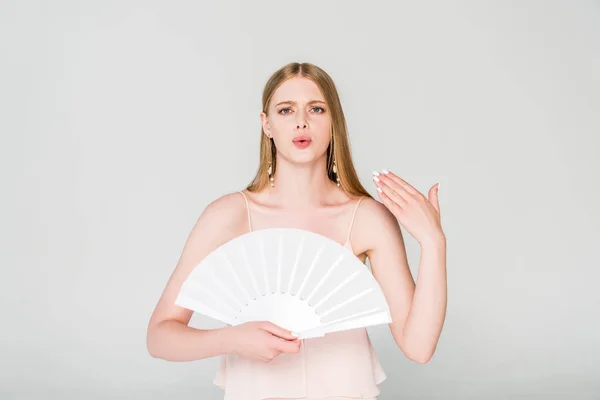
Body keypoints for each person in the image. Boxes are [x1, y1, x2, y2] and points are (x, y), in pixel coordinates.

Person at [146, 62, 447, 400]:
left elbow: (418, 347)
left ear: (334, 122)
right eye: (286, 110)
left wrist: (433, 242)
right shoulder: (228, 215)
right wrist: (233, 339)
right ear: (267, 124)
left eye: (316, 109)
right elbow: (159, 337)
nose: (301, 121)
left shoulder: (366, 218)